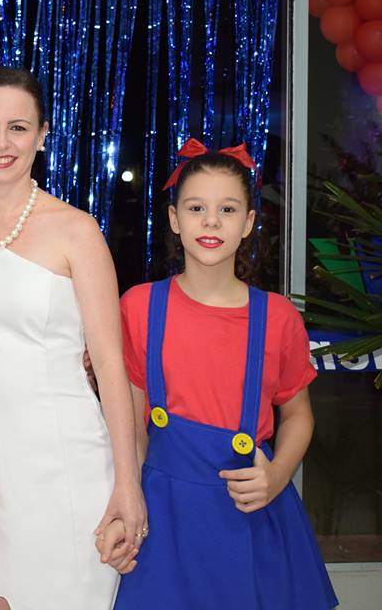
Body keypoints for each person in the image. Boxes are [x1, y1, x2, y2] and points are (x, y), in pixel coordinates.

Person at [0, 66, 145, 609]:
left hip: (66, 462)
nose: (1, 143)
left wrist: (128, 485)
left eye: (18, 127)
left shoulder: (77, 230)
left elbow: (111, 365)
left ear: (43, 135)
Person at [113, 139, 338, 609]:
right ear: (174, 219)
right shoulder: (138, 307)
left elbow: (299, 415)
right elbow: (131, 426)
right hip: (166, 519)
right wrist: (126, 500)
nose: (211, 221)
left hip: (250, 514)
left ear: (249, 223)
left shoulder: (277, 317)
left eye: (228, 209)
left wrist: (277, 475)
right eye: (196, 207)